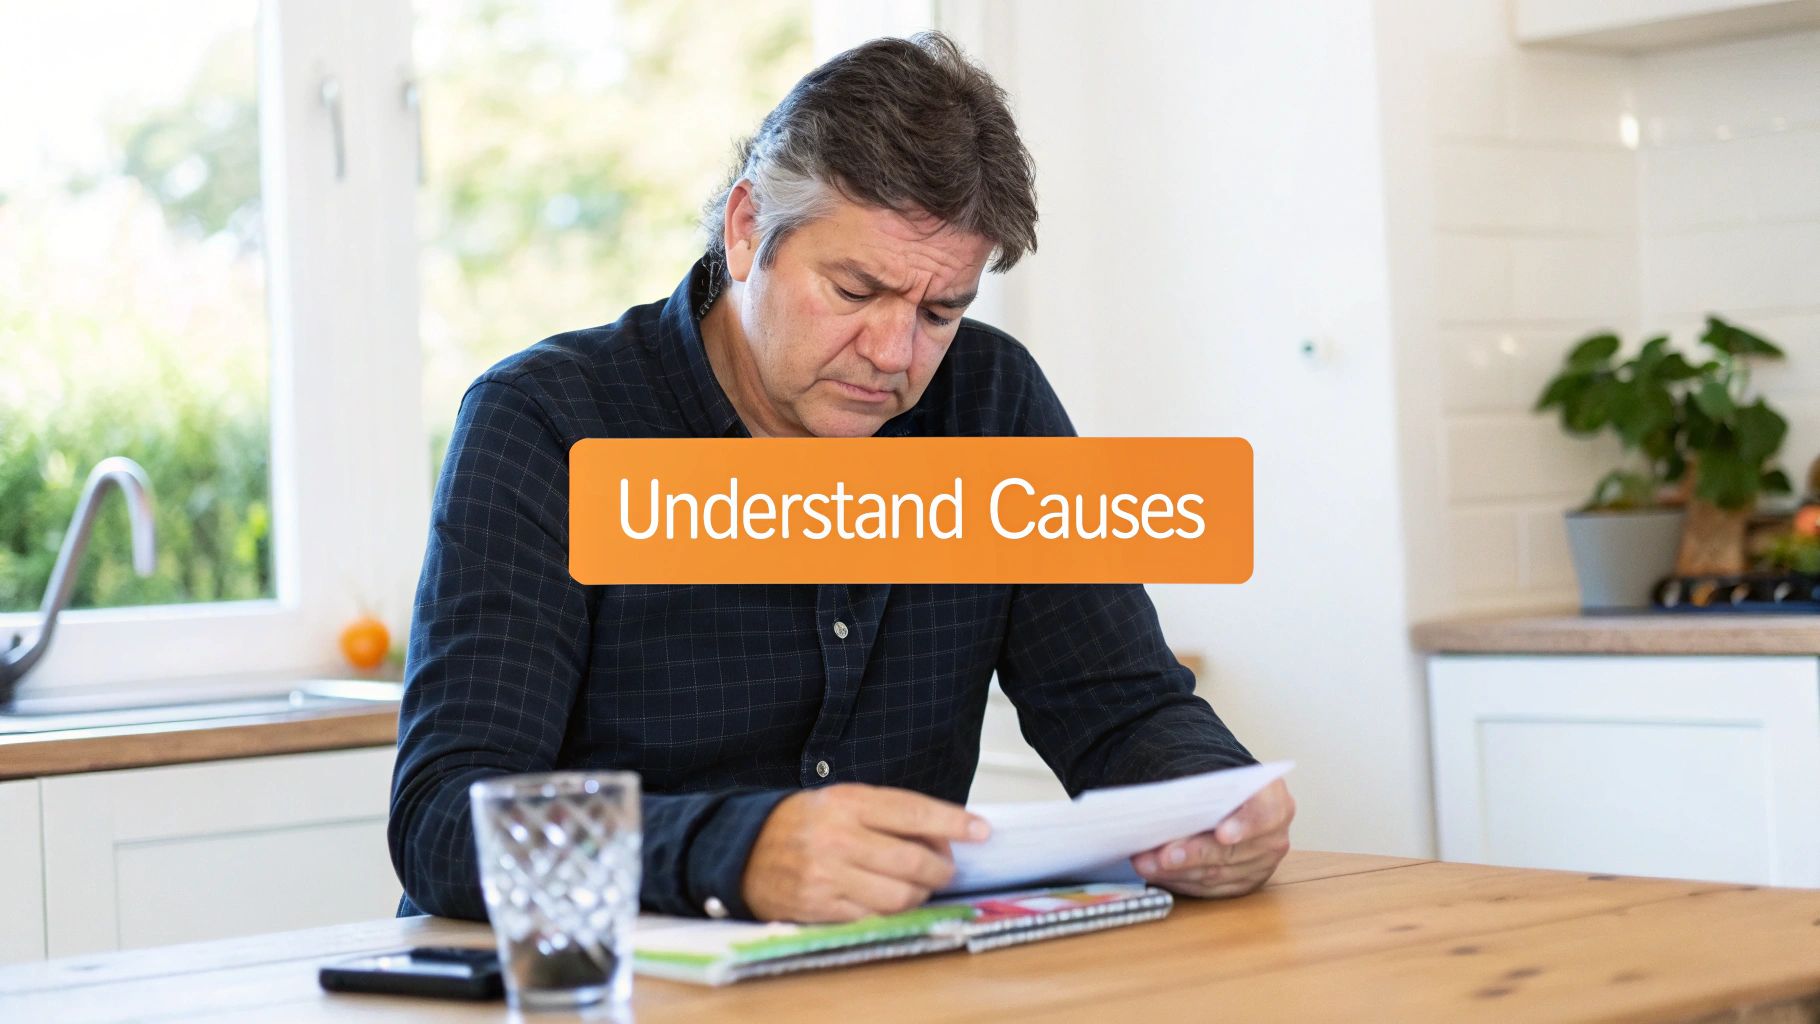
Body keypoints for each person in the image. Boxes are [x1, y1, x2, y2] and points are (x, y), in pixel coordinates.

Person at [389, 31, 1293, 924]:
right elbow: (445, 819)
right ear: (748, 232)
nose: (894, 355)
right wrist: (736, 852)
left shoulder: (991, 402)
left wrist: (1213, 800)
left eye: (941, 311)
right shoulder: (548, 423)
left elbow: (1120, 706)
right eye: (856, 292)